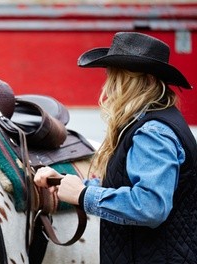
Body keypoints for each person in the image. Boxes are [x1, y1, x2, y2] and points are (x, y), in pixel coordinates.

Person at [34, 32, 197, 263]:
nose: (110, 89)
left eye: (119, 79)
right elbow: (126, 184)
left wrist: (83, 195)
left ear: (148, 81)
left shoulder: (152, 132)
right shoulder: (152, 123)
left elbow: (150, 206)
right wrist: (67, 182)